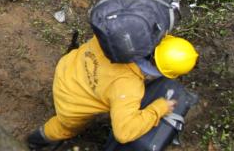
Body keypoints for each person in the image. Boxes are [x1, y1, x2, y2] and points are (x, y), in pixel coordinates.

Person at [27, 34, 199, 150]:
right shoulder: (128, 87)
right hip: (71, 104)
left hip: (67, 68)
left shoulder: (118, 36)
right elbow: (124, 133)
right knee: (63, 127)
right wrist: (159, 109)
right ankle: (35, 141)